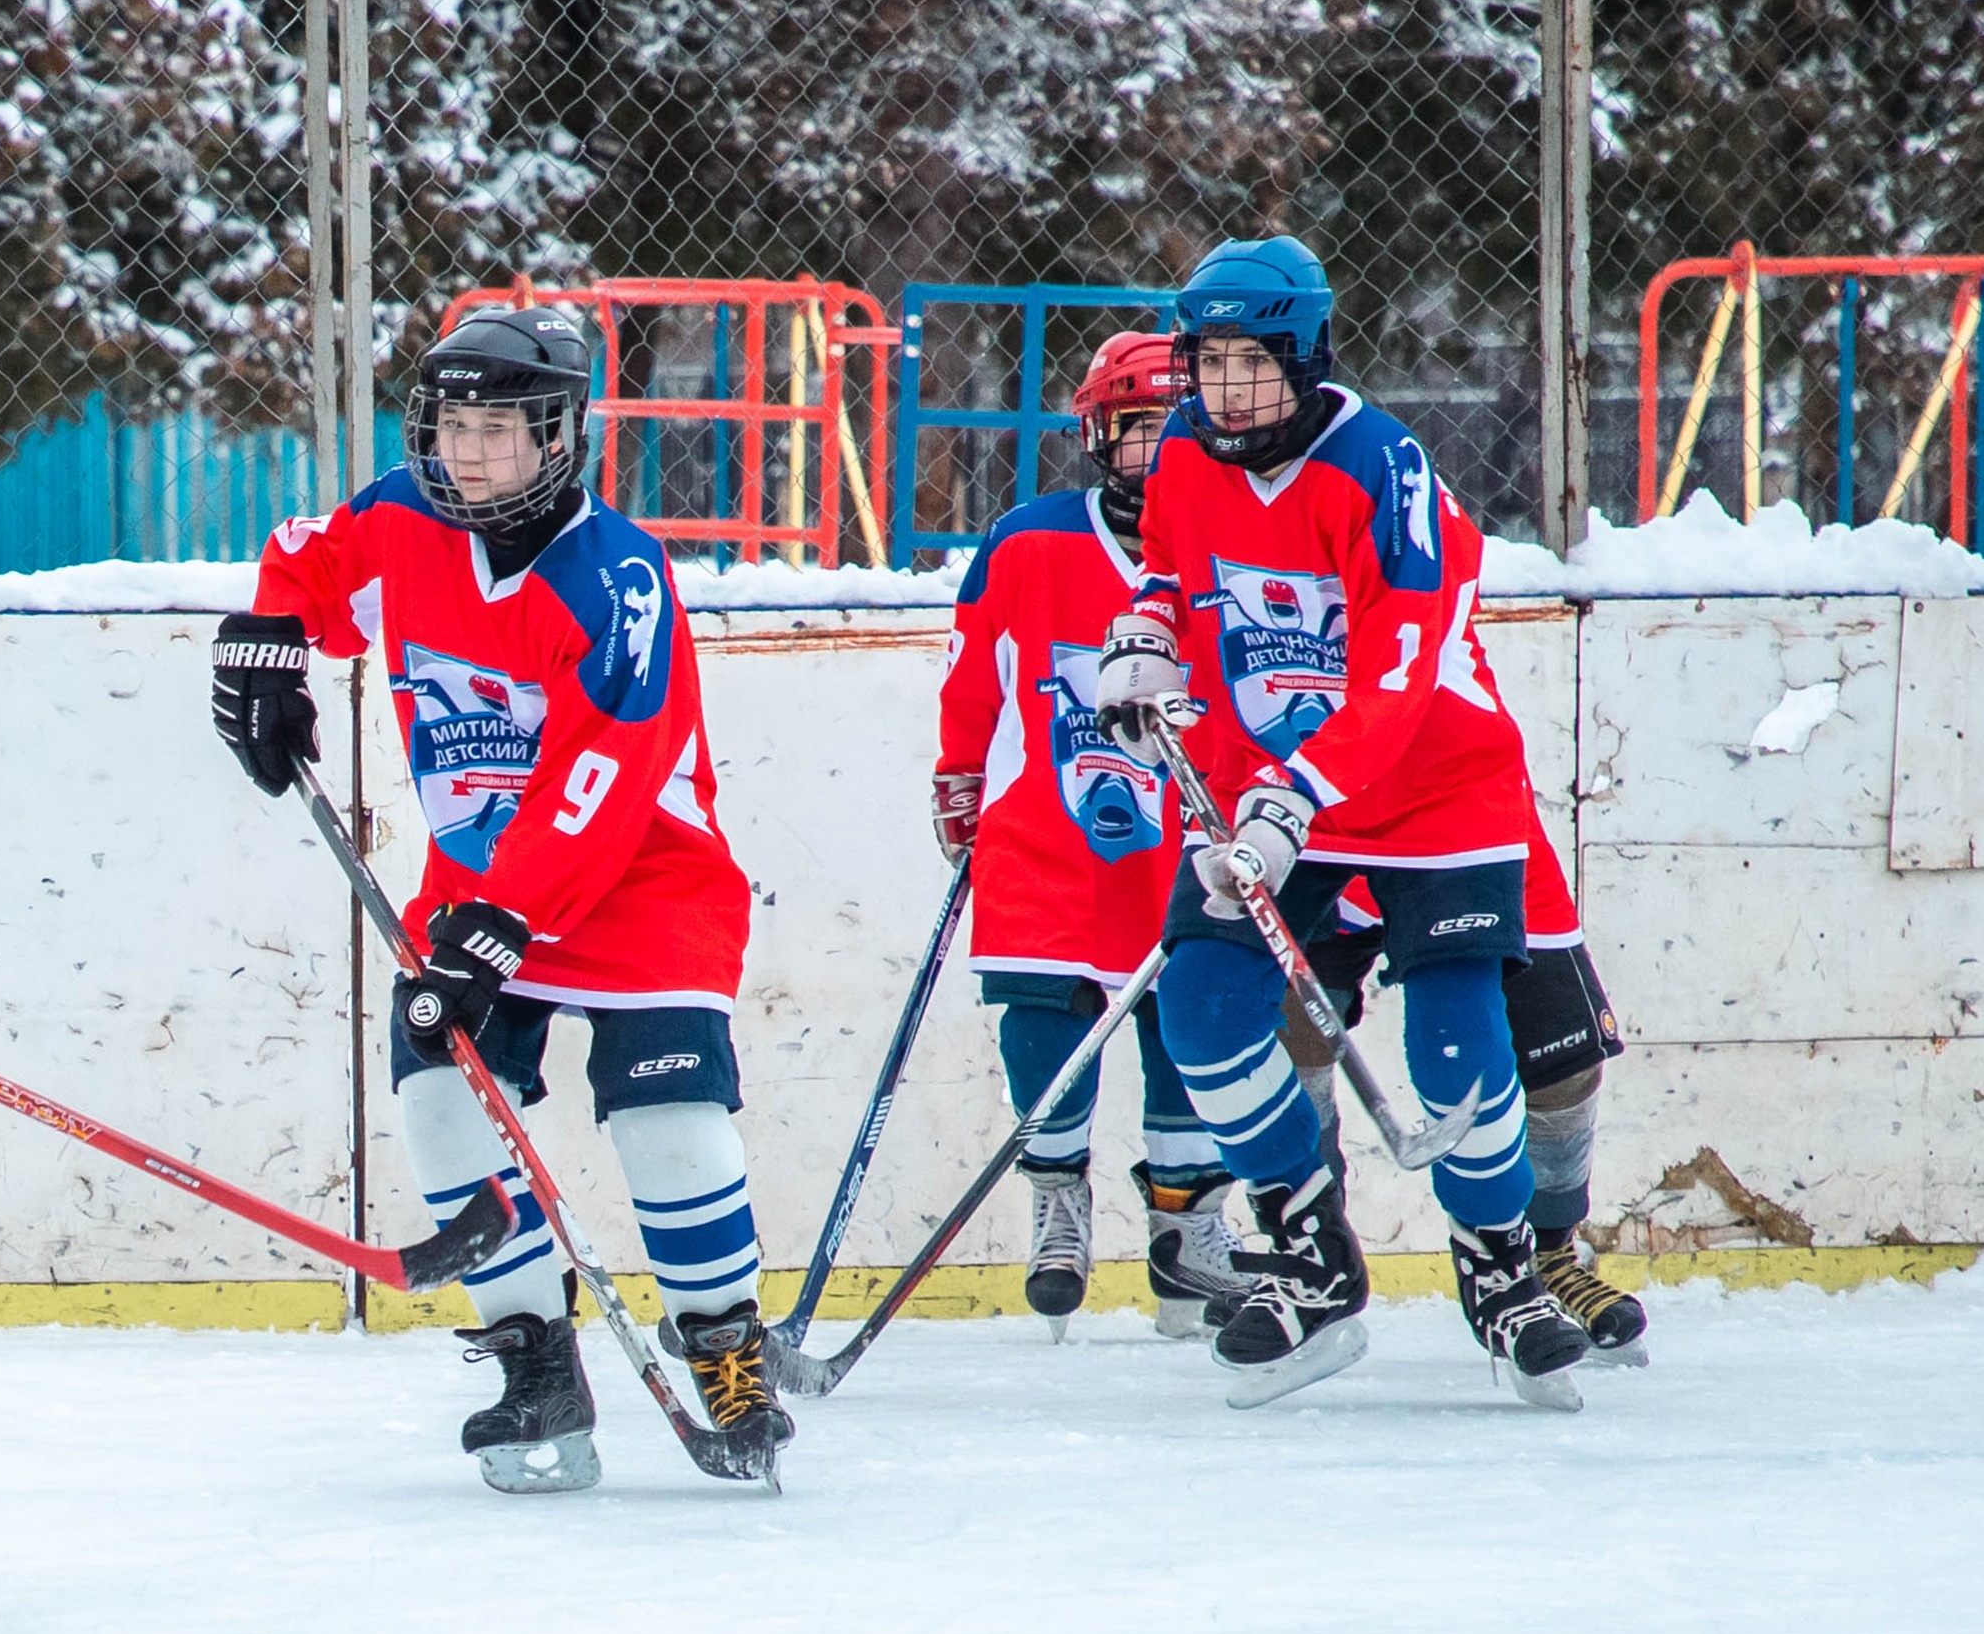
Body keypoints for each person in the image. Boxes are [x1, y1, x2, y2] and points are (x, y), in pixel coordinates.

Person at [210, 302, 793, 1489]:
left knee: (667, 1124)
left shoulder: (616, 573)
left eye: (500, 428)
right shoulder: (400, 520)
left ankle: (727, 1346)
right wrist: (265, 649)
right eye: (453, 424)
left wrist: (507, 911)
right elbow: (304, 551)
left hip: (643, 882)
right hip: (484, 892)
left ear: (561, 434)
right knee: (439, 1095)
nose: (469, 453)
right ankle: (536, 1359)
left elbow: (606, 767)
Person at [1092, 234, 1591, 1407]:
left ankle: (1502, 1270)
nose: (1226, 390)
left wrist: (1290, 800)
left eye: (1251, 363)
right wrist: (1145, 641)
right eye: (1206, 362)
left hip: (1431, 785)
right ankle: (1309, 1252)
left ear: (1308, 354)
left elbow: (1399, 670)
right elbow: (1169, 571)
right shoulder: (1179, 452)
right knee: (1204, 1013)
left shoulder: (1383, 468)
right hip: (1273, 788)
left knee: (1455, 1040)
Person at [933, 331, 1251, 1335]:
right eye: (1140, 429)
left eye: (1180, 428)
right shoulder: (1030, 541)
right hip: (1052, 834)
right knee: (1040, 1004)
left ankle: (1186, 1222)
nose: (1159, 453)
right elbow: (972, 671)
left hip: (1187, 836)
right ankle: (1058, 1193)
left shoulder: (1228, 543)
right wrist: (958, 774)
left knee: (1188, 1022)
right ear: (1097, 435)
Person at [1285, 799, 1646, 1359]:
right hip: (1315, 838)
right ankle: (1311, 1252)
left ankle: (1547, 1255)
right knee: (1288, 1041)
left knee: (1565, 1057)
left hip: (1466, 829)